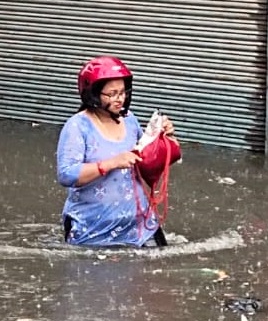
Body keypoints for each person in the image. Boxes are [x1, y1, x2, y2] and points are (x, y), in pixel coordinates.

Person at [56, 55, 177, 247]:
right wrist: (111, 163)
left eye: (122, 92)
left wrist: (162, 138)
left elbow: (145, 160)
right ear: (93, 95)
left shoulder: (130, 119)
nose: (120, 99)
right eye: (112, 94)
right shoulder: (77, 126)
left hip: (139, 224)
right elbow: (66, 174)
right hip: (93, 226)